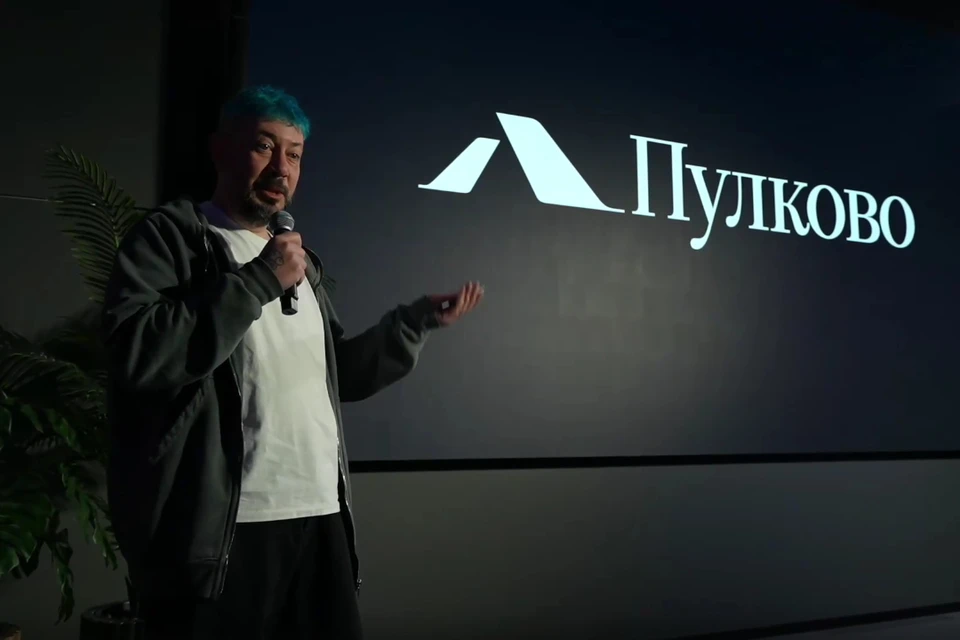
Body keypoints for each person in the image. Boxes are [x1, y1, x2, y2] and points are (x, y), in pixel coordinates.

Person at [101, 85, 483, 639]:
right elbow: (139, 355)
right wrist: (259, 279)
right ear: (221, 150)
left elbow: (339, 375)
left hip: (319, 515)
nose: (282, 167)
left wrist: (412, 324)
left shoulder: (299, 262)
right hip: (224, 531)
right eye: (264, 146)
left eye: (295, 154)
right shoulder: (174, 239)